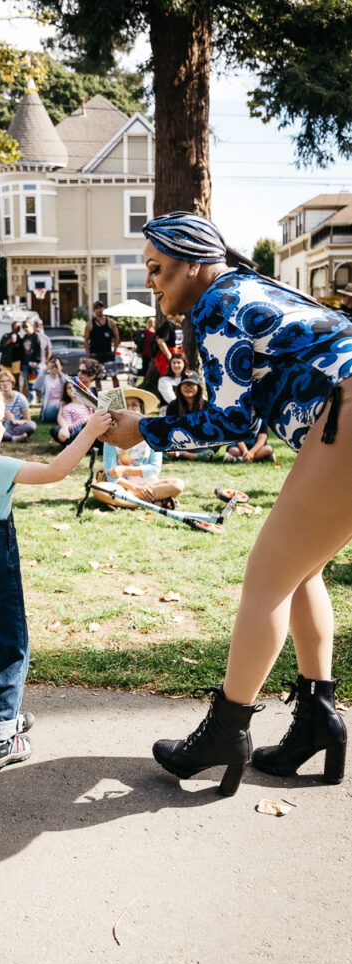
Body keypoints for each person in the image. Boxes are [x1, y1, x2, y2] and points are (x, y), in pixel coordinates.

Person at [104, 210, 352, 795]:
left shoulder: (217, 301)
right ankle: (318, 720)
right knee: (300, 571)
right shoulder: (249, 289)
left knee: (266, 578)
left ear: (192, 264)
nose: (152, 282)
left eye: (157, 268)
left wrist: (144, 429)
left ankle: (226, 730)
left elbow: (233, 420)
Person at [0, 380, 111, 769]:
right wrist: (89, 432)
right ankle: (1, 740)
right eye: (0, 413)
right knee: (8, 647)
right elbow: (55, 471)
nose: (6, 418)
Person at [102, 389, 184, 504]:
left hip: (149, 484)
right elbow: (110, 474)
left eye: (134, 405)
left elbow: (155, 468)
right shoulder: (111, 437)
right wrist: (135, 488)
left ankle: (132, 502)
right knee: (101, 490)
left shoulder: (154, 434)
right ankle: (156, 503)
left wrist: (125, 469)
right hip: (123, 486)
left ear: (142, 409)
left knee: (177, 484)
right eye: (126, 405)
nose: (130, 409)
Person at [163, 370, 218, 461]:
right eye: (185, 385)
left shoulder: (207, 406)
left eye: (191, 384)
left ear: (198, 387)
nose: (188, 388)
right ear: (180, 387)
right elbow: (169, 429)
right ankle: (193, 456)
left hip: (201, 442)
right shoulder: (173, 406)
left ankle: (181, 454)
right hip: (180, 442)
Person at [0, 369, 36, 443]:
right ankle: (14, 438)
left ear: (12, 383)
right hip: (2, 427)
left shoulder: (20, 398)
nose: (5, 384)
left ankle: (8, 437)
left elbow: (27, 420)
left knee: (31, 425)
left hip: (16, 427)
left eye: (8, 381)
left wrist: (15, 421)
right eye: (2, 381)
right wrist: (2, 418)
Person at [50, 378, 92, 447]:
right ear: (66, 391)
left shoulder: (87, 404)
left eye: (74, 387)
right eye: (69, 388)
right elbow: (70, 427)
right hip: (78, 432)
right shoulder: (67, 408)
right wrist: (83, 420)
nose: (72, 389)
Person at [33, 355, 67, 422]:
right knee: (58, 407)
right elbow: (36, 386)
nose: (54, 368)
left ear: (61, 367)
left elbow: (66, 385)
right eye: (52, 366)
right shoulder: (45, 377)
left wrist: (59, 371)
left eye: (56, 366)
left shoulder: (63, 377)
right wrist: (45, 369)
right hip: (48, 409)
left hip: (63, 407)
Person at [19, 319, 41, 398]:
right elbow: (22, 352)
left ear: (31, 326)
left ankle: (41, 400)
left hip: (35, 364)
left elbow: (40, 349)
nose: (25, 328)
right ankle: (32, 401)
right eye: (23, 327)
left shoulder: (36, 336)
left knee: (38, 383)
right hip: (26, 364)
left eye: (26, 326)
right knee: (29, 384)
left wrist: (37, 361)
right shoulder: (24, 337)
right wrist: (21, 366)